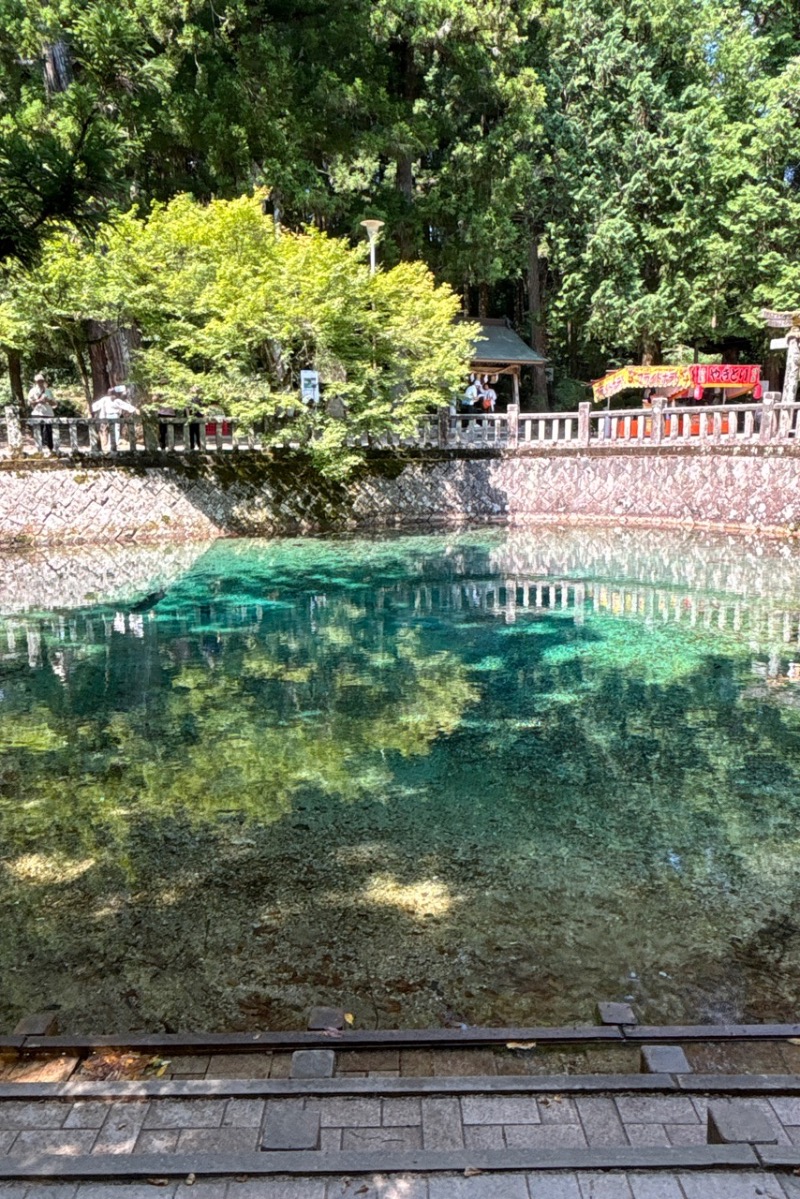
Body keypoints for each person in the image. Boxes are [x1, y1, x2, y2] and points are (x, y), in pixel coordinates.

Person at [92, 384, 136, 452]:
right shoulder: (105, 399)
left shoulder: (117, 400)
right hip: (106, 416)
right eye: (111, 395)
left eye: (114, 395)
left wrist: (134, 409)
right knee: (106, 430)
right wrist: (91, 408)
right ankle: (106, 444)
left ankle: (114, 444)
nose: (113, 397)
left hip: (115, 416)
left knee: (116, 430)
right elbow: (97, 405)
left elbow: (125, 405)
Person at [27, 373, 56, 451]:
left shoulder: (48, 391)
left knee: (49, 431)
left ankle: (50, 448)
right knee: (38, 431)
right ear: (35, 382)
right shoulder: (32, 391)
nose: (40, 382)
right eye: (38, 381)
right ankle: (39, 448)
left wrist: (48, 400)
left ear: (43, 381)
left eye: (41, 381)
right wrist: (38, 401)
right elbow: (29, 403)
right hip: (37, 413)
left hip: (48, 413)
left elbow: (54, 403)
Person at [186, 386, 204, 451]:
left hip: (199, 415)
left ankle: (200, 445)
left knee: (199, 432)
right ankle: (192, 446)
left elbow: (203, 407)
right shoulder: (189, 397)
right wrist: (188, 416)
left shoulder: (200, 397)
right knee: (191, 432)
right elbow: (187, 407)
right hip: (191, 415)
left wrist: (203, 415)